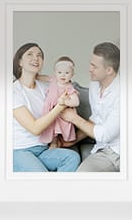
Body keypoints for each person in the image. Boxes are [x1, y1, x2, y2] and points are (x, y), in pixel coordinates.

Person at [11, 42, 81, 172]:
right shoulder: (13, 91)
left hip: (42, 149)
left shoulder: (46, 88)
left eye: (39, 55)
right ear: (19, 62)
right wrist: (60, 106)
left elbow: (55, 120)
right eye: (30, 54)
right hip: (20, 150)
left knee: (72, 157)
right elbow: (35, 128)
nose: (36, 58)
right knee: (41, 176)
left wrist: (54, 142)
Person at [61, 42, 121, 173]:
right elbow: (96, 118)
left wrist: (73, 118)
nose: (89, 69)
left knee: (82, 176)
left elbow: (104, 135)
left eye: (94, 66)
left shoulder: (123, 94)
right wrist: (73, 140)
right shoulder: (95, 85)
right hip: (100, 148)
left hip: (118, 152)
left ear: (109, 70)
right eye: (90, 63)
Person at [38, 56, 80, 147]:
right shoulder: (53, 80)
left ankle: (56, 142)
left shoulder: (69, 87)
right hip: (49, 110)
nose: (63, 75)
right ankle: (53, 142)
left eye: (67, 72)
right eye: (59, 72)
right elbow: (41, 77)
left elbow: (76, 102)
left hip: (61, 112)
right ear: (55, 73)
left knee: (58, 128)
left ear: (72, 74)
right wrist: (35, 75)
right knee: (49, 125)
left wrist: (65, 102)